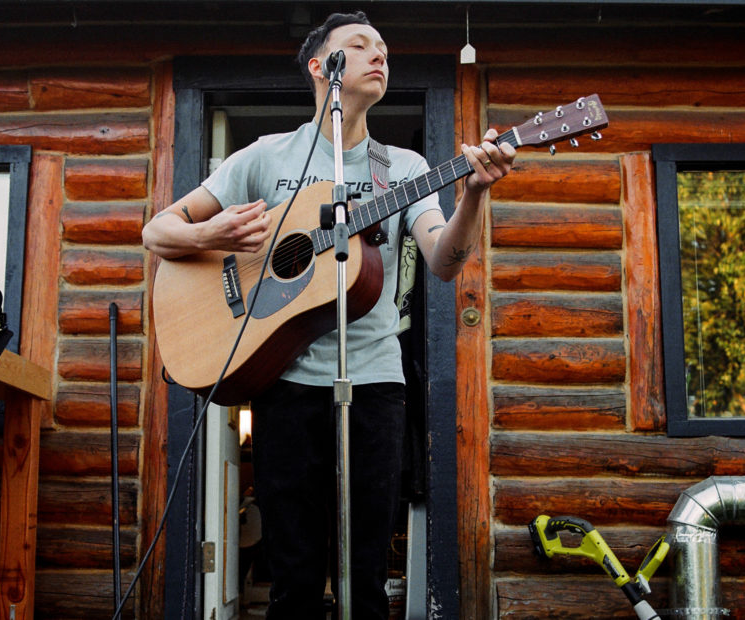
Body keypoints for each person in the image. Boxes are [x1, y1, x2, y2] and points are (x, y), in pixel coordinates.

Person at [142, 11, 514, 619]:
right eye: (360, 46)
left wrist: (473, 193)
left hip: (374, 383)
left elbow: (445, 261)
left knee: (365, 574)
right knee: (293, 573)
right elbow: (158, 231)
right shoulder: (264, 156)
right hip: (284, 382)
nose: (379, 56)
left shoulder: (405, 169)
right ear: (321, 67)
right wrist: (214, 232)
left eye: (384, 50)